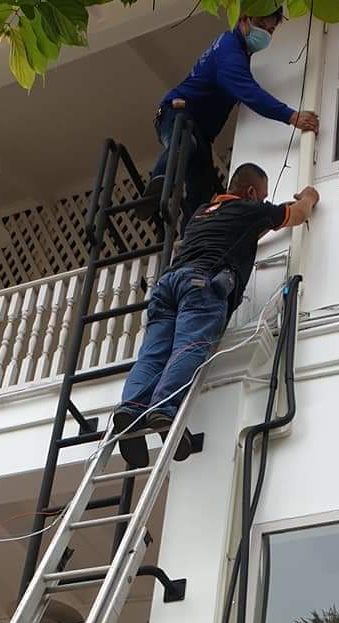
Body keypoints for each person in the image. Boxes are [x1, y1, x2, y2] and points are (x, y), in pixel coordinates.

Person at [112, 162, 319, 466]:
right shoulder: (250, 210)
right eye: (262, 196)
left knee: (152, 355)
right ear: (252, 192)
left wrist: (264, 218)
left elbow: (247, 231)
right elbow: (298, 214)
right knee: (188, 347)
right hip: (201, 285)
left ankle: (131, 409)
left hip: (167, 286)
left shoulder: (202, 213)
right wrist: (310, 196)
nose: (263, 201)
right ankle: (164, 411)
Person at [135, 9, 319, 225]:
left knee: (202, 191)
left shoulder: (237, 52)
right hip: (176, 114)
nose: (265, 34)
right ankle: (156, 190)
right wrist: (291, 116)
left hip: (200, 132)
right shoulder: (229, 49)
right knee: (186, 142)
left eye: (270, 31)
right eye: (261, 26)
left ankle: (190, 235)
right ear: (243, 20)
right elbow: (249, 92)